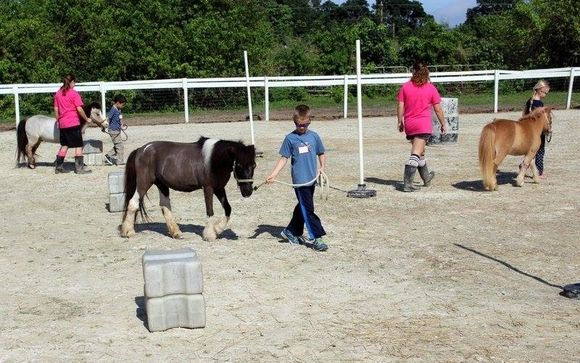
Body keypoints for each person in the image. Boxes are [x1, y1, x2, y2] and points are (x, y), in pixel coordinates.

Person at [266, 104, 328, 252]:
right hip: (300, 181)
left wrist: (322, 168)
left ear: (309, 121)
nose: (302, 127)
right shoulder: (290, 139)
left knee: (303, 206)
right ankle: (317, 238)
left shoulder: (314, 136)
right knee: (308, 209)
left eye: (305, 124)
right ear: (294, 122)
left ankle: (291, 231)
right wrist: (273, 174)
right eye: (299, 125)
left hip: (312, 179)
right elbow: (284, 158)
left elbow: (321, 153)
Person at [396, 61, 447, 192]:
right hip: (423, 125)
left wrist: (399, 121)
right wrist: (443, 123)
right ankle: (407, 184)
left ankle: (426, 177)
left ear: (413, 71)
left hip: (410, 124)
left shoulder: (405, 87)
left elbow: (400, 105)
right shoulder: (431, 88)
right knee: (416, 153)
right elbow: (438, 109)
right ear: (426, 72)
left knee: (421, 152)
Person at [53, 73, 92, 174]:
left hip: (62, 123)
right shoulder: (74, 93)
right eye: (74, 82)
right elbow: (79, 109)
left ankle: (59, 167)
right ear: (72, 82)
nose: (75, 84)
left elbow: (56, 109)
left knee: (64, 145)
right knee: (78, 145)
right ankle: (79, 169)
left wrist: (58, 120)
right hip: (73, 123)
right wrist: (86, 118)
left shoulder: (58, 93)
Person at [522, 79, 550, 178]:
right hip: (537, 131)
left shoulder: (530, 101)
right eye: (545, 92)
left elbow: (525, 114)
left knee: (530, 150)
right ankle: (540, 171)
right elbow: (543, 119)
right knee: (540, 151)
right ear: (539, 90)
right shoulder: (539, 104)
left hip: (528, 129)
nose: (545, 95)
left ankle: (524, 166)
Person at [104, 94, 127, 166]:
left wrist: (122, 124)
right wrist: (105, 126)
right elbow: (108, 118)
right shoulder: (113, 109)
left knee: (118, 145)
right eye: (122, 104)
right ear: (117, 103)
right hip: (113, 130)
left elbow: (120, 118)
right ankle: (119, 161)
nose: (123, 106)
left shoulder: (118, 109)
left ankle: (108, 155)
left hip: (117, 130)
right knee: (119, 145)